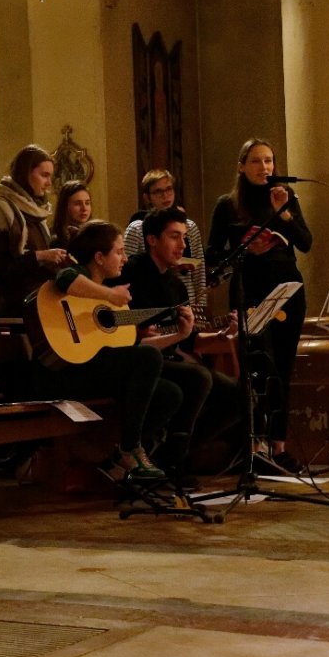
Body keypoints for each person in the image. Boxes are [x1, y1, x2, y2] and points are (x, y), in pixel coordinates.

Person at [32, 220, 182, 481]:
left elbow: (132, 346)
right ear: (99, 257)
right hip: (66, 371)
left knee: (170, 393)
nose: (124, 258)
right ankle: (130, 449)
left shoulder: (110, 298)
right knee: (149, 360)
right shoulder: (82, 277)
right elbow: (63, 278)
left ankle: (113, 457)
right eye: (119, 251)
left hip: (95, 368)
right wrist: (110, 296)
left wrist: (180, 333)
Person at [205, 137, 312, 473]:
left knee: (282, 369)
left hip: (288, 292)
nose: (264, 168)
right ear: (241, 165)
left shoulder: (285, 197)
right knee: (257, 370)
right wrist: (246, 250)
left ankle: (279, 447)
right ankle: (255, 446)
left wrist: (286, 215)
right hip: (250, 292)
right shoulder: (228, 204)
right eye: (256, 161)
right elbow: (212, 255)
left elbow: (305, 242)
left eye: (269, 161)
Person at [123, 207, 240, 486]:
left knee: (240, 396)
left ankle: (170, 454)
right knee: (197, 377)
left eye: (184, 237)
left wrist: (223, 333)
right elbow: (121, 323)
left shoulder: (176, 283)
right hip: (141, 361)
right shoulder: (132, 272)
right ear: (152, 239)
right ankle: (175, 461)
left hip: (169, 356)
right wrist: (138, 329)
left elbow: (189, 339)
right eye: (174, 237)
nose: (183, 245)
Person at [0, 145, 66, 317]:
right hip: (18, 306)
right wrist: (40, 256)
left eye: (50, 176)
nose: (49, 183)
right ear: (25, 173)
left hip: (42, 301)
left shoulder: (37, 211)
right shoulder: (1, 209)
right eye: (44, 175)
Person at [123, 170, 206, 306]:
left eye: (169, 189)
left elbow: (200, 273)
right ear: (147, 198)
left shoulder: (189, 226)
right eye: (158, 192)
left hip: (182, 296)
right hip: (148, 297)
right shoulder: (137, 227)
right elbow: (127, 266)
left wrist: (201, 305)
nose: (165, 196)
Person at [50, 180, 94, 249]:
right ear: (64, 206)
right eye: (77, 204)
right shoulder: (57, 241)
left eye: (87, 203)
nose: (84, 208)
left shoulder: (95, 235)